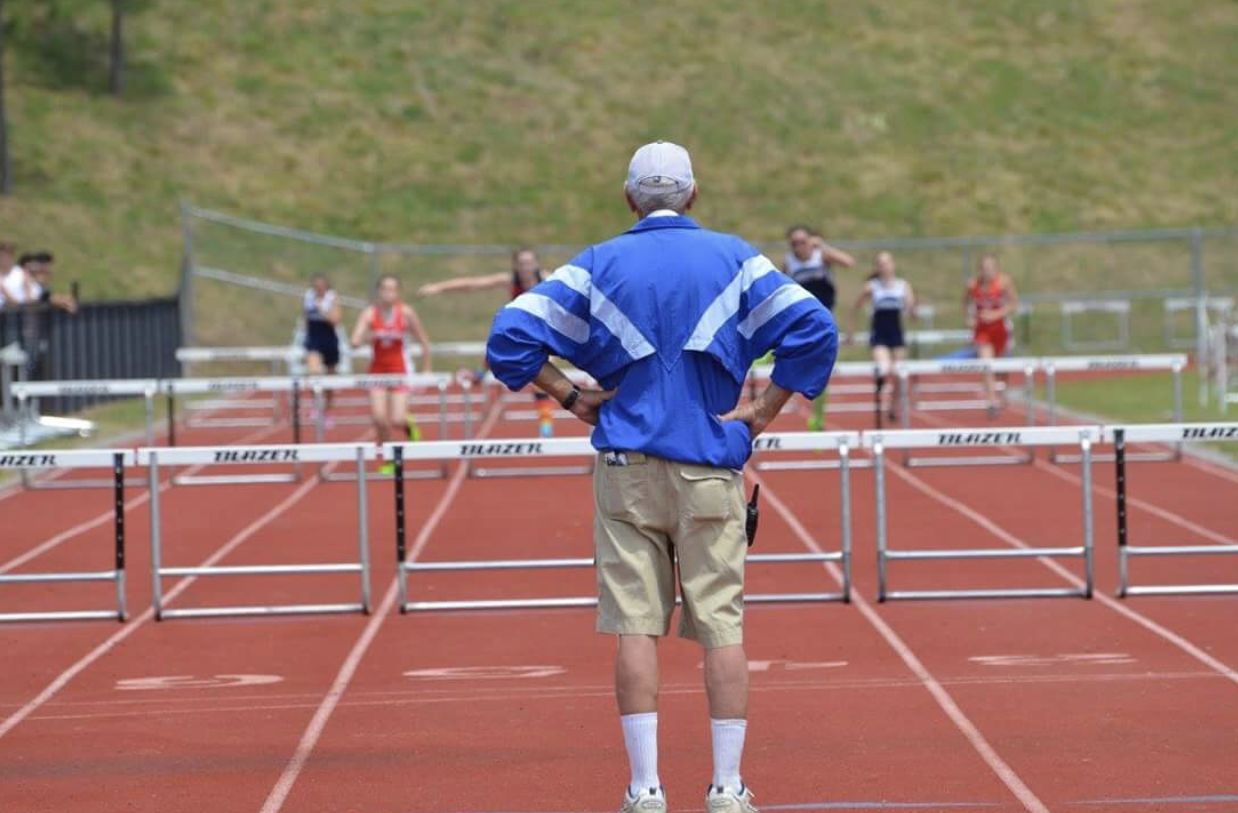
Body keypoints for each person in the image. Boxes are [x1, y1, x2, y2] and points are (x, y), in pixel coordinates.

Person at [487, 141, 837, 813]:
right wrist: (762, 411)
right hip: (710, 462)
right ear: (693, 196)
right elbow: (814, 327)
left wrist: (572, 396)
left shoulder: (596, 263)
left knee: (635, 627)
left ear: (629, 200)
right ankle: (728, 787)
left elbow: (510, 335)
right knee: (722, 628)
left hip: (628, 469)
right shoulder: (735, 258)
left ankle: (646, 787)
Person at [419, 247, 558, 436]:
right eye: (521, 263)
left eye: (529, 263)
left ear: (536, 263)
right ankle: (483, 370)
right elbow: (473, 284)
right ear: (516, 266)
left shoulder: (549, 279)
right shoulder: (510, 281)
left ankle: (546, 422)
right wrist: (438, 287)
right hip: (519, 329)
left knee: (544, 374)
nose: (525, 267)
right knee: (498, 335)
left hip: (543, 331)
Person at [350, 275, 432, 464]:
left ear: (398, 292)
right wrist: (368, 336)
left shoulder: (406, 313)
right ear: (378, 292)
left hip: (399, 369)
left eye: (392, 289)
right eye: (384, 289)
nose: (388, 293)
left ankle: (407, 424)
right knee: (379, 419)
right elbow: (354, 341)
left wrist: (427, 369)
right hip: (377, 370)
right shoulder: (370, 314)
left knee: (396, 419)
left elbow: (424, 341)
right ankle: (389, 459)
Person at [781, 225, 853, 431]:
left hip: (824, 320)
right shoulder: (790, 262)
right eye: (794, 244)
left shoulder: (822, 256)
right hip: (800, 320)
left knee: (822, 369)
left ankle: (818, 416)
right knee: (794, 362)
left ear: (811, 241)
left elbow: (849, 262)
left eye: (802, 242)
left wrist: (824, 246)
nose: (798, 247)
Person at [849, 251, 914, 421]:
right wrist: (851, 332)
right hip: (879, 334)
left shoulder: (903, 286)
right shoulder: (872, 286)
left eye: (886, 263)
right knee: (884, 367)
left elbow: (911, 309)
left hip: (897, 335)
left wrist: (912, 307)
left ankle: (893, 407)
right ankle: (880, 382)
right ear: (877, 267)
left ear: (893, 265)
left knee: (899, 374)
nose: (884, 266)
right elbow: (855, 307)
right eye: (880, 263)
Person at [965, 255, 1019, 415]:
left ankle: (1003, 393)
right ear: (979, 269)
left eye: (991, 268)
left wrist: (996, 314)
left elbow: (1014, 304)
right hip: (982, 332)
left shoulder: (1003, 283)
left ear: (996, 269)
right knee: (986, 364)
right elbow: (965, 302)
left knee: (1001, 368)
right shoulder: (972, 285)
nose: (987, 271)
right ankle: (991, 400)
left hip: (1001, 330)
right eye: (984, 268)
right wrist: (968, 317)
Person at [302, 274, 343, 417]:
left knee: (330, 378)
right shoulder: (308, 297)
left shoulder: (332, 298)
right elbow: (306, 317)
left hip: (329, 339)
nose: (318, 289)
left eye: (321, 286)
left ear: (326, 287)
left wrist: (322, 309)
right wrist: (305, 336)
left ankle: (329, 409)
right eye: (316, 287)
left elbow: (336, 320)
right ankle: (316, 405)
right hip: (314, 339)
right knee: (313, 372)